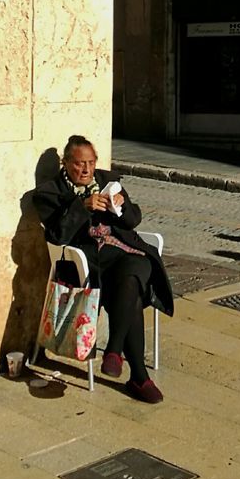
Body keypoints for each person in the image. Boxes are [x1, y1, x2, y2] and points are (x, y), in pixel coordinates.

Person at [32, 135, 173, 403]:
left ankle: (115, 349)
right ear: (65, 164)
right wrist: (81, 207)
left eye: (91, 162)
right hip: (87, 263)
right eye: (78, 164)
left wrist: (121, 206)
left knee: (138, 265)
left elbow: (133, 221)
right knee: (131, 286)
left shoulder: (109, 182)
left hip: (122, 252)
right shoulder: (51, 193)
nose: (86, 170)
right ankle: (138, 377)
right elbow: (57, 236)